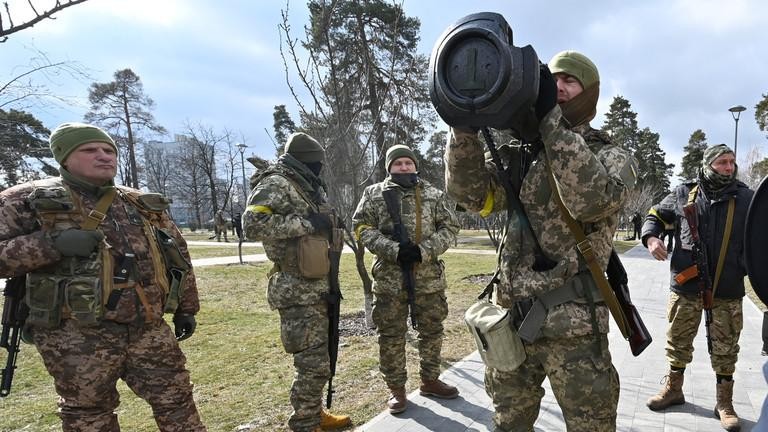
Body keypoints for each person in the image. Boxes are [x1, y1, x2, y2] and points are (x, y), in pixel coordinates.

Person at [446, 50, 638, 431]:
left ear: (590, 93)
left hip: (575, 327)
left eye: (569, 82)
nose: (559, 89)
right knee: (509, 423)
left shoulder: (611, 155)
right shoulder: (520, 154)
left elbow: (590, 201)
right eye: (553, 81)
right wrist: (463, 129)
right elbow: (471, 197)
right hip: (513, 320)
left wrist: (551, 122)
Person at [0, 122, 206, 431]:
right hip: (74, 334)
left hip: (147, 326)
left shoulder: (139, 202)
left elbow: (177, 253)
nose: (103, 156)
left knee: (177, 400)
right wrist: (49, 245)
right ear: (64, 157)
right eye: (89, 150)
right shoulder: (24, 200)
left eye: (109, 150)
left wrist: (186, 307)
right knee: (88, 414)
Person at [241, 132, 350, 432]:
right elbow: (251, 224)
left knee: (321, 359)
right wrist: (308, 224)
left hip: (317, 284)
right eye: (316, 163)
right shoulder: (276, 183)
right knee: (312, 363)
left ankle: (313, 414)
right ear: (305, 161)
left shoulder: (305, 185)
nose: (319, 168)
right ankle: (305, 423)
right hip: (296, 288)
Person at [642, 144, 753, 431]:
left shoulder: (745, 198)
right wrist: (652, 239)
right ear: (707, 165)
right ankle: (674, 389)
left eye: (731, 162)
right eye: (722, 163)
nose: (729, 167)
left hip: (727, 288)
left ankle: (724, 403)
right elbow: (654, 216)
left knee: (726, 348)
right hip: (686, 285)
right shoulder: (683, 194)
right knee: (677, 340)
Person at [352, 145, 460, 414]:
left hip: (428, 280)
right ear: (389, 167)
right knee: (391, 336)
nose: (403, 167)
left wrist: (423, 251)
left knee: (432, 331)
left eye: (407, 163)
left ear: (415, 165)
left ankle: (430, 380)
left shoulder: (433, 194)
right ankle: (397, 390)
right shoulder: (374, 193)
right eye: (397, 163)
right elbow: (361, 227)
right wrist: (394, 251)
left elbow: (450, 227)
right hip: (390, 280)